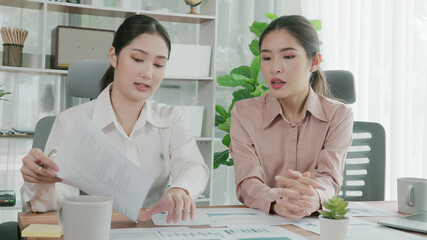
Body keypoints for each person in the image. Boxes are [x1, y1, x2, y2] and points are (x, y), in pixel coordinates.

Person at [20, 14, 209, 224]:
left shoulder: (171, 118)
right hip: (94, 229)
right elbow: (56, 199)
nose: (147, 73)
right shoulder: (71, 122)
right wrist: (42, 182)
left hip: (154, 229)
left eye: (158, 64)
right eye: (137, 59)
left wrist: (180, 189)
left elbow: (195, 166)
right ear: (114, 56)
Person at [229, 15, 353, 220]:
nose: (275, 68)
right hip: (265, 223)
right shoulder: (244, 113)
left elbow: (329, 178)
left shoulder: (338, 116)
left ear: (314, 62)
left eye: (288, 57)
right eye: (267, 58)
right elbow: (247, 181)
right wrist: (279, 201)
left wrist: (311, 198)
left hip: (315, 223)